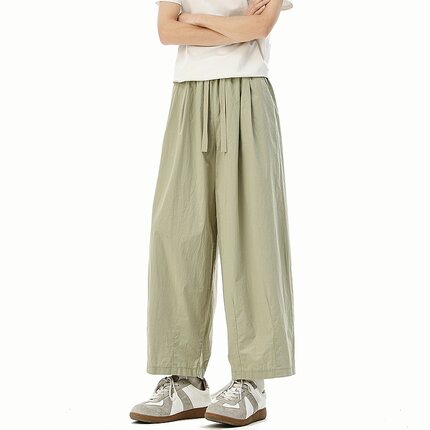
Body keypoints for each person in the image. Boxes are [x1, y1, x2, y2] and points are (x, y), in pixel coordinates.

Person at [130, 0, 295, 426]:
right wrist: (229, 26)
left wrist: (195, 18)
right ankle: (183, 379)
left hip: (247, 91)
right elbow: (167, 32)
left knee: (252, 234)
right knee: (176, 232)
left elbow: (259, 27)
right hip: (188, 94)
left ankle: (251, 380)